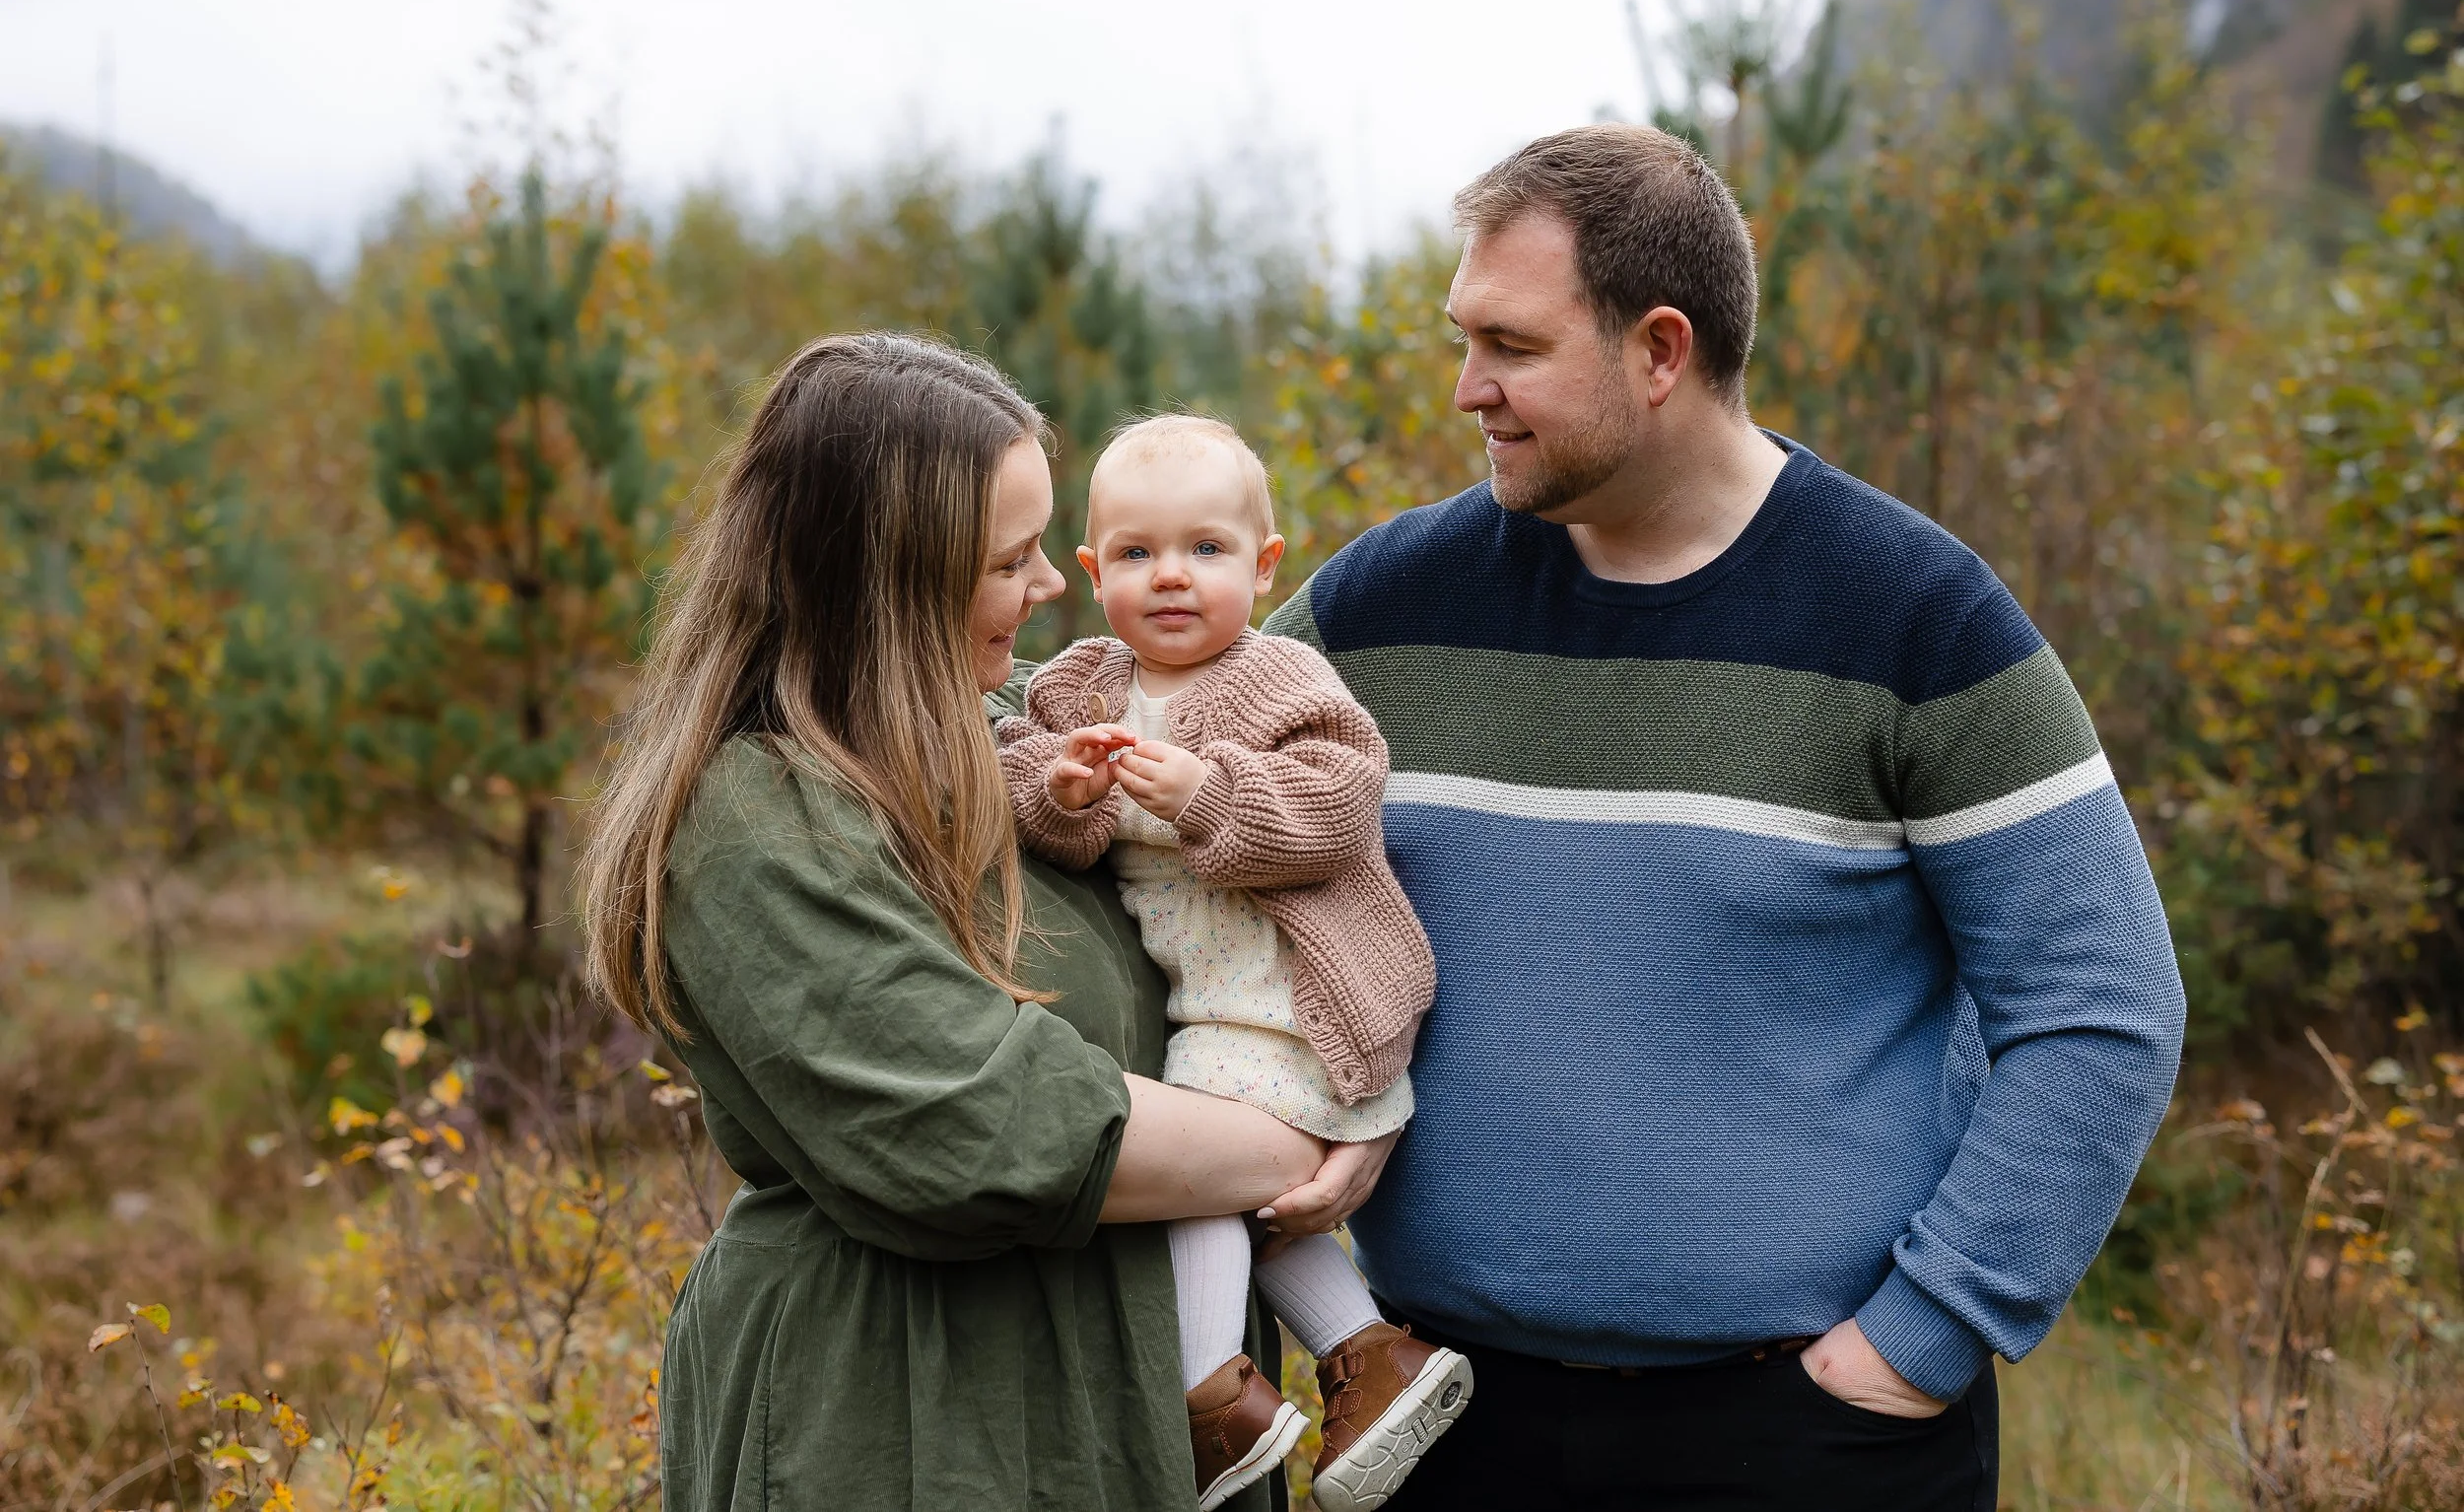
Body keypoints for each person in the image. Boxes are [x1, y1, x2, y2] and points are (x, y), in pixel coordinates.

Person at [1260, 125, 2188, 1511]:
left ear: (1659, 350)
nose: (1469, 389)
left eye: (1510, 345)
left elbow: (2101, 1000)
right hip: (1447, 1420)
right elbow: (1157, 772)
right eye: (1464, 340)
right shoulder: (1383, 606)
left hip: (1805, 1435)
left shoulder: (1915, 615)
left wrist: (1921, 1339)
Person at [577, 333, 1385, 1512]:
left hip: (1121, 1390)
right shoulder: (758, 813)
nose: (1054, 585)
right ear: (893, 578)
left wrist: (1353, 1071)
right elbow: (983, 1122)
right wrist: (1306, 1140)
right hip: (905, 1411)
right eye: (1012, 559)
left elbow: (1281, 860)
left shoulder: (1012, 736)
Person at [997, 415, 1472, 1512]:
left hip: (1302, 993)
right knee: (1247, 1197)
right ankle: (1365, 1349)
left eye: (1206, 549)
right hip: (1207, 1004)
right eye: (1135, 553)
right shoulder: (1078, 688)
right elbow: (1030, 786)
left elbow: (1339, 807)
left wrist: (1208, 795)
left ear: (1264, 566)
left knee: (1196, 1168)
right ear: (1090, 569)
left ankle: (1209, 1389)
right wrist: (1062, 792)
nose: (1170, 577)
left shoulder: (1280, 680)